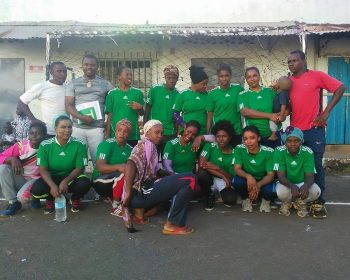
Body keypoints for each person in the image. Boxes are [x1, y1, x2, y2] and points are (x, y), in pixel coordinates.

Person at [287, 50, 346, 218]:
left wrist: (326, 112)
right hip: (295, 132)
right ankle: (298, 198)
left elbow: (340, 87)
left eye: (295, 60)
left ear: (304, 61)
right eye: (289, 61)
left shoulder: (316, 76)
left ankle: (318, 202)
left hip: (314, 129)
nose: (291, 64)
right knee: (296, 165)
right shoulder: (288, 82)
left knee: (315, 164)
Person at [122, 120, 199, 235]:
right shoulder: (143, 145)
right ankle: (173, 224)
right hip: (140, 192)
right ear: (147, 133)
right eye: (156, 132)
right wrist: (128, 192)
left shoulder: (151, 147)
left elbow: (156, 171)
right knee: (191, 179)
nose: (160, 136)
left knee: (186, 180)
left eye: (162, 133)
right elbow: (130, 163)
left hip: (146, 189)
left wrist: (172, 175)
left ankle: (172, 221)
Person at [30, 115, 91, 214]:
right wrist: (52, 185)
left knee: (85, 183)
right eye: (63, 127)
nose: (67, 130)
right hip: (52, 177)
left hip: (71, 178)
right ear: (55, 129)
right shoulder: (45, 145)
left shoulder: (80, 144)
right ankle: (50, 199)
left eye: (69, 127)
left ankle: (75, 198)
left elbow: (80, 167)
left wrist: (66, 181)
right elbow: (43, 169)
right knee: (37, 189)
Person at [65, 54, 114, 162]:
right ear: (82, 66)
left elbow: (112, 104)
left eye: (92, 65)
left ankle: (97, 179)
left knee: (98, 160)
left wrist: (108, 128)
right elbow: (68, 105)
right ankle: (80, 179)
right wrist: (81, 117)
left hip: (97, 128)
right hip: (77, 128)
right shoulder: (73, 83)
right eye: (86, 64)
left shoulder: (105, 84)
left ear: (97, 67)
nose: (89, 67)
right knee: (77, 159)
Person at [0, 123, 47, 216]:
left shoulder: (48, 148)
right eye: (31, 133)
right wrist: (12, 159)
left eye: (38, 133)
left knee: (22, 198)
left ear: (44, 135)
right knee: (3, 168)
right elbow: (1, 156)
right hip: (21, 177)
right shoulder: (21, 146)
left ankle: (35, 198)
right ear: (28, 134)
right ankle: (14, 203)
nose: (34, 136)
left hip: (36, 180)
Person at [273, 126, 321, 218]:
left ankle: (300, 202)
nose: (293, 144)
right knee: (280, 192)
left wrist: (306, 186)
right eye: (289, 141)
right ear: (284, 142)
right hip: (286, 183)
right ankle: (287, 202)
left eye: (296, 141)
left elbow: (310, 175)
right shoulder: (279, 151)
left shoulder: (307, 151)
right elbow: (281, 176)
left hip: (302, 182)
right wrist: (292, 186)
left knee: (316, 191)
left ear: (301, 141)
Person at [92, 119, 133, 216]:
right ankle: (115, 206)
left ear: (129, 134)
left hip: (116, 181)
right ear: (115, 131)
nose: (122, 133)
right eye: (119, 130)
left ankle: (116, 197)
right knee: (124, 172)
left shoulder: (130, 149)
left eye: (125, 131)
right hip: (100, 180)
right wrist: (119, 166)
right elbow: (100, 167)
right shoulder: (107, 144)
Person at [232, 125, 276, 213]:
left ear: (258, 138)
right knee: (236, 181)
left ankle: (265, 201)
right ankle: (246, 199)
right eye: (245, 139)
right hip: (247, 179)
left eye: (252, 138)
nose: (248, 142)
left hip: (263, 180)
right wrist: (248, 176)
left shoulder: (269, 151)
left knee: (270, 190)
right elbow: (237, 169)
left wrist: (258, 185)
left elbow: (271, 175)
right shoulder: (239, 149)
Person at [18, 61, 67, 137]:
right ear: (51, 72)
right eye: (59, 71)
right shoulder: (43, 86)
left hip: (66, 131)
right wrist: (33, 119)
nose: (62, 74)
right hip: (49, 132)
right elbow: (22, 101)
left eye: (64, 71)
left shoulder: (67, 87)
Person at [198, 120, 237, 210]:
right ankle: (208, 195)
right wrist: (222, 175)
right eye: (218, 136)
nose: (221, 139)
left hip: (223, 181)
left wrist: (217, 168)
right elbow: (202, 164)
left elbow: (231, 176)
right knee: (201, 173)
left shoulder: (235, 153)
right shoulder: (210, 146)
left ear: (230, 137)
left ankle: (217, 192)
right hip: (210, 178)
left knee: (230, 200)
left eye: (224, 136)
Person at [238, 67, 280, 148]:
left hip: (272, 136)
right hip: (253, 138)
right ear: (246, 79)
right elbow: (245, 112)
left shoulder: (270, 91)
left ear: (259, 76)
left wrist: (282, 116)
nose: (252, 79)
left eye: (254, 75)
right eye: (249, 77)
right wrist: (269, 115)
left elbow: (281, 107)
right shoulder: (243, 94)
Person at [144, 65, 180, 155]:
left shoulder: (178, 95)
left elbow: (177, 115)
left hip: (169, 133)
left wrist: (176, 134)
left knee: (167, 159)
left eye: (174, 78)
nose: (171, 80)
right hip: (154, 131)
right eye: (168, 78)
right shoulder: (155, 89)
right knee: (152, 159)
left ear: (177, 79)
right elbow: (147, 109)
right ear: (165, 77)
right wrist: (145, 128)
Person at [105, 66, 144, 147]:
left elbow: (141, 113)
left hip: (132, 134)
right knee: (117, 158)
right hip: (116, 134)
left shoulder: (138, 93)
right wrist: (108, 135)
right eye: (127, 74)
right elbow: (110, 116)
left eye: (131, 75)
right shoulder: (112, 94)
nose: (130, 77)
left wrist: (140, 108)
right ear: (119, 77)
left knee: (131, 158)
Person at [206, 64, 244, 146]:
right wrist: (208, 132)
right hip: (219, 133)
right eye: (221, 76)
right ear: (218, 77)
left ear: (230, 76)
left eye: (226, 75)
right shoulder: (212, 93)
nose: (224, 78)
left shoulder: (238, 89)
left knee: (235, 156)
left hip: (235, 131)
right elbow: (210, 115)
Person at [173, 65, 209, 135]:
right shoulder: (183, 94)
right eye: (203, 84)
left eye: (206, 84)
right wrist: (184, 125)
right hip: (187, 132)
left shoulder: (207, 95)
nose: (205, 86)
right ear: (195, 82)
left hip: (203, 133)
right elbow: (175, 114)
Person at [269, 76, 291, 141]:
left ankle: (273, 135)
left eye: (277, 82)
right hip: (279, 112)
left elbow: (283, 105)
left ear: (279, 85)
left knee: (272, 121)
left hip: (278, 112)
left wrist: (281, 114)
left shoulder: (282, 94)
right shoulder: (282, 92)